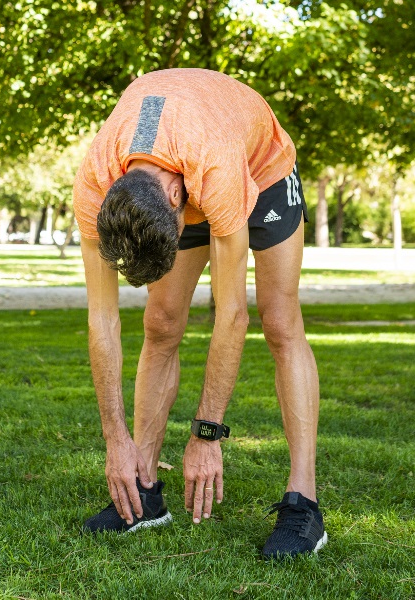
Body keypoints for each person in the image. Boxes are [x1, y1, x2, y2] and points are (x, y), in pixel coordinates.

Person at [73, 68, 325, 559]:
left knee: (279, 320)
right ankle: (144, 491)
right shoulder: (94, 184)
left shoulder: (215, 168)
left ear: (174, 201)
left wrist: (207, 433)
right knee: (161, 321)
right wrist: (114, 438)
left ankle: (304, 503)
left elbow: (231, 316)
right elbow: (100, 320)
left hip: (260, 168)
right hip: (179, 169)